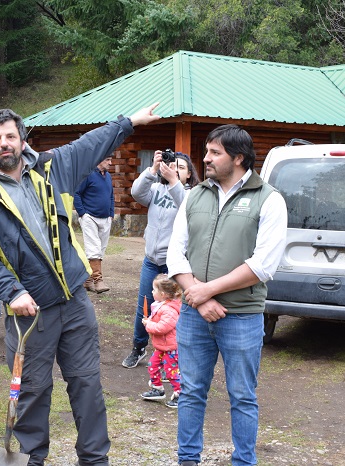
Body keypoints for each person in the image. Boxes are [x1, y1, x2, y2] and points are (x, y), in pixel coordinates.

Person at [0, 103, 161, 466]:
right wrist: (13, 292)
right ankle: (30, 461)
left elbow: (91, 144)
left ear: (23, 140)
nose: (4, 144)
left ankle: (94, 460)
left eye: (10, 136)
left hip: (74, 303)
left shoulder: (52, 168)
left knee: (88, 387)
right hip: (29, 313)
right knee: (33, 394)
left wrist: (129, 122)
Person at [166, 124, 288, 466]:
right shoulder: (195, 195)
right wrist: (199, 297)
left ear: (238, 158)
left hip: (243, 317)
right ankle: (187, 460)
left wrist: (207, 291)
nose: (205, 159)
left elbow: (263, 264)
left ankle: (243, 462)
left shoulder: (269, 199)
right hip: (194, 314)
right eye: (206, 151)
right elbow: (175, 253)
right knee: (190, 393)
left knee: (242, 396)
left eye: (214, 152)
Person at [122, 151, 198, 368]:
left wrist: (175, 181)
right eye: (172, 165)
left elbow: (188, 209)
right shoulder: (156, 189)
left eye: (181, 167)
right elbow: (137, 193)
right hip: (151, 259)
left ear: (189, 174)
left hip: (174, 263)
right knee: (145, 305)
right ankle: (138, 348)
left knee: (173, 309)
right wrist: (153, 169)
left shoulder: (192, 194)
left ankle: (172, 355)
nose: (175, 169)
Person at [140, 274, 182, 408]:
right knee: (153, 366)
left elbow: (164, 327)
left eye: (154, 290)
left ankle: (180, 394)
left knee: (172, 372)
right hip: (161, 347)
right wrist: (150, 321)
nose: (152, 292)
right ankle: (157, 389)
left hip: (171, 348)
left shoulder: (169, 310)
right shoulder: (160, 306)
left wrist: (148, 325)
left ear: (163, 294)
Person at [75, 156, 114, 293]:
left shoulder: (108, 176)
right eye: (108, 160)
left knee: (101, 250)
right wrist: (82, 213)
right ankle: (98, 280)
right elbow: (77, 193)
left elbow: (110, 196)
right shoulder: (88, 174)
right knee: (94, 248)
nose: (111, 163)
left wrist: (111, 213)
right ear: (99, 160)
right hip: (90, 217)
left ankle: (87, 281)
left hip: (105, 218)